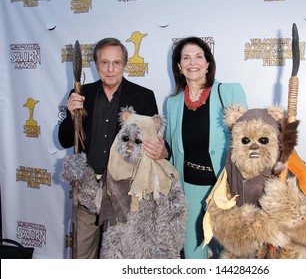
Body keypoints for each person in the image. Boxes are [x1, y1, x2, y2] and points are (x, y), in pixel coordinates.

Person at [58, 37, 168, 259]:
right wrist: (71, 116)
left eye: (116, 63)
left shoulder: (143, 96)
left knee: (119, 257)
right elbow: (63, 140)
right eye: (104, 62)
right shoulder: (81, 95)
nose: (110, 69)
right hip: (88, 189)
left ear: (124, 64)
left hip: (125, 194)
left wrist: (163, 151)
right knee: (82, 256)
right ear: (96, 64)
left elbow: (158, 145)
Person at [165, 36, 247, 259]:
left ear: (208, 63)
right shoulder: (172, 103)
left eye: (199, 57)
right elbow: (169, 148)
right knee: (193, 258)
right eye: (186, 58)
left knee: (231, 257)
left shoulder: (229, 92)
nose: (193, 62)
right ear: (179, 67)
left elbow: (246, 141)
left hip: (224, 190)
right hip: (188, 189)